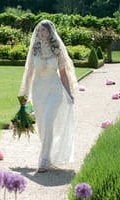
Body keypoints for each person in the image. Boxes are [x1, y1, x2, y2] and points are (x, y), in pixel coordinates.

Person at [18, 20, 77, 173]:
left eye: (44, 30)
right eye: (39, 30)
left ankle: (43, 161)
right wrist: (24, 94)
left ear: (50, 32)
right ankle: (48, 156)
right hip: (39, 92)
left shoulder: (57, 49)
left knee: (48, 121)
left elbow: (63, 74)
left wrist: (69, 94)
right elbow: (29, 73)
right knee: (42, 126)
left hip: (54, 90)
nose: (41, 33)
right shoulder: (34, 50)